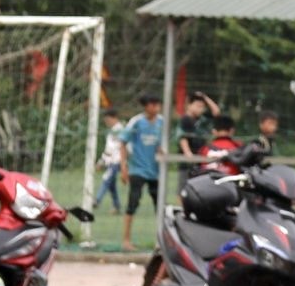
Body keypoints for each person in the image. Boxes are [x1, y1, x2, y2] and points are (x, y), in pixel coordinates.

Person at [118, 94, 165, 250]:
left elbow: (162, 143)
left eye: (158, 105)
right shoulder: (136, 122)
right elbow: (122, 143)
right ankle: (126, 240)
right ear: (147, 106)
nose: (157, 108)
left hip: (156, 171)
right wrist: (124, 167)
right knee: (133, 202)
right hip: (137, 169)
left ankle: (161, 241)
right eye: (154, 105)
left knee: (159, 206)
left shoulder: (162, 122)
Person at [175, 91, 219, 181]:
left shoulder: (202, 120)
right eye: (198, 106)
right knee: (184, 188)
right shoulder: (185, 119)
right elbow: (183, 138)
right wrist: (188, 153)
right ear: (189, 105)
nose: (201, 109)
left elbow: (216, 112)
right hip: (187, 162)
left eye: (202, 107)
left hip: (200, 159)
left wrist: (204, 97)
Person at [93, 112, 125, 212]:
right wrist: (101, 161)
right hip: (112, 161)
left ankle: (97, 201)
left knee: (106, 178)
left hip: (118, 160)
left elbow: (118, 148)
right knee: (111, 184)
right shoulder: (112, 131)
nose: (107, 123)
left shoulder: (120, 130)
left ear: (114, 118)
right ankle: (117, 205)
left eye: (107, 120)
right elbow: (109, 149)